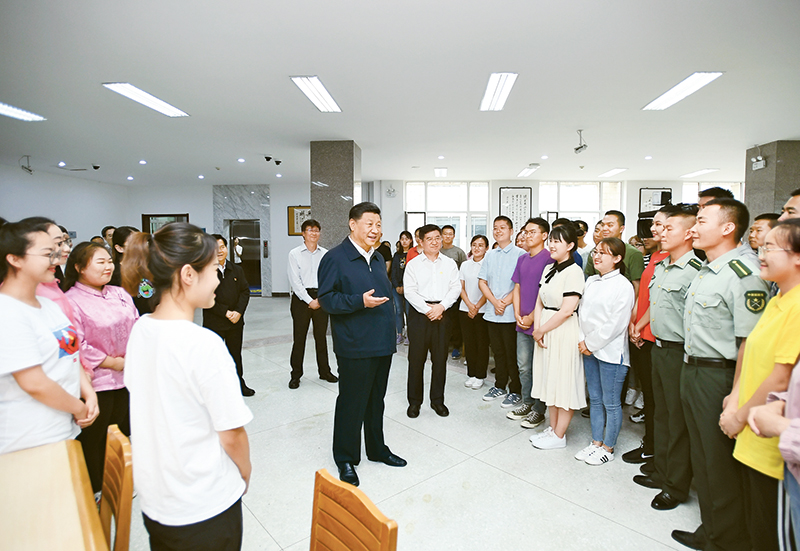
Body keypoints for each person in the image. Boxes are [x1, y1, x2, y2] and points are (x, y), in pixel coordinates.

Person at [122, 223, 252, 550]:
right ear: (188, 275)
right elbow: (232, 434)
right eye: (212, 271)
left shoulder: (141, 328)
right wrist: (243, 475)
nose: (218, 279)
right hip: (203, 506)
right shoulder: (203, 345)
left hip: (157, 499)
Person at [671, 198, 769, 551]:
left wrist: (737, 395)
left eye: (701, 221)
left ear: (728, 228)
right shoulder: (708, 269)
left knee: (718, 461)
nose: (693, 229)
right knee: (702, 456)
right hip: (693, 368)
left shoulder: (744, 274)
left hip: (720, 376)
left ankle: (727, 538)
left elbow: (750, 344)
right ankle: (711, 529)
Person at [720, 219, 800, 551]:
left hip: (774, 443)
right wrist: (734, 400)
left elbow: (781, 376)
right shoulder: (778, 298)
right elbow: (749, 351)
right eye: (762, 246)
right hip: (751, 427)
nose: (760, 254)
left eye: (770, 247)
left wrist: (739, 417)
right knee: (756, 525)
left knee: (772, 534)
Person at [317, 202, 406, 487]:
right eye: (369, 223)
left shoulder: (378, 257)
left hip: (381, 342)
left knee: (376, 400)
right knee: (352, 402)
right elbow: (327, 299)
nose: (375, 229)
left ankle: (377, 449)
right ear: (352, 224)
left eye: (378, 224)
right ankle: (345, 457)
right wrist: (360, 301)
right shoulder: (335, 258)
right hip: (354, 343)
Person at [0, 218, 98, 455]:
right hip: (28, 439)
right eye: (47, 254)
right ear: (14, 259)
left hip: (61, 428)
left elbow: (70, 353)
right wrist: (78, 408)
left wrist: (88, 392)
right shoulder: (8, 312)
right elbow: (34, 384)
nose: (56, 259)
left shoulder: (48, 305)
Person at [634, 205, 700, 511]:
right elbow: (655, 304)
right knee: (660, 413)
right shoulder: (662, 266)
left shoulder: (695, 270)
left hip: (678, 351)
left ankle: (675, 484)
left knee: (676, 420)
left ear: (688, 234)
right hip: (658, 347)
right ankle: (661, 469)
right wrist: (640, 325)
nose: (660, 232)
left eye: (669, 228)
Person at [64, 242, 138, 496]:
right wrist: (111, 361)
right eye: (100, 262)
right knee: (95, 439)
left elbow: (137, 324)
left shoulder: (120, 293)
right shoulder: (71, 300)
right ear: (79, 267)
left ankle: (119, 484)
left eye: (109, 261)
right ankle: (96, 490)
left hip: (126, 376)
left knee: (121, 434)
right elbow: (76, 343)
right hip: (97, 382)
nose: (108, 266)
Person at [577, 237, 635, 465]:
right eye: (596, 252)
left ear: (617, 258)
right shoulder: (591, 281)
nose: (597, 256)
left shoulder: (623, 286)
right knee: (595, 399)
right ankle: (596, 442)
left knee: (610, 402)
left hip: (611, 352)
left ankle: (608, 448)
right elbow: (581, 314)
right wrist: (583, 341)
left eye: (604, 253)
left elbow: (616, 324)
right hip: (588, 349)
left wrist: (590, 343)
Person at [529, 224, 586, 450]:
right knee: (549, 380)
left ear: (570, 245)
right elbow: (539, 301)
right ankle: (552, 430)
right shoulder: (549, 268)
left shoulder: (574, 272)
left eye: (557, 241)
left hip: (562, 330)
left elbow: (566, 310)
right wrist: (537, 328)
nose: (551, 245)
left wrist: (541, 329)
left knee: (563, 382)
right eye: (550, 240)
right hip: (545, 328)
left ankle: (560, 435)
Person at [624, 208, 671, 467]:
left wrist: (640, 325)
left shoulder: (672, 260)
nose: (652, 230)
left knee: (656, 398)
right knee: (651, 397)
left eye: (660, 225)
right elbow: (643, 294)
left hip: (653, 335)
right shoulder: (653, 257)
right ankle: (650, 443)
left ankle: (654, 448)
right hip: (641, 332)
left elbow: (658, 300)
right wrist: (634, 322)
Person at [403, 224, 460, 418]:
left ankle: (437, 401)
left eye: (437, 238)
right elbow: (410, 291)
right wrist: (429, 310)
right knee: (416, 360)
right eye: (429, 239)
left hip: (443, 314)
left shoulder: (449, 263)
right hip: (420, 315)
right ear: (421, 241)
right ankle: (414, 402)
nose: (435, 242)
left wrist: (441, 307)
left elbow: (455, 288)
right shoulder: (413, 265)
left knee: (440, 360)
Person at [508, 218, 554, 429]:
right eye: (526, 232)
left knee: (540, 368)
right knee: (524, 367)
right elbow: (517, 288)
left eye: (532, 232)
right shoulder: (522, 259)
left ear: (544, 235)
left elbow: (547, 293)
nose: (527, 235)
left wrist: (532, 317)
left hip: (541, 323)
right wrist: (518, 314)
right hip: (522, 322)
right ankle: (527, 403)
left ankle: (539, 409)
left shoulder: (549, 259)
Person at [478, 216, 526, 408]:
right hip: (492, 312)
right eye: (495, 228)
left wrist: (504, 303)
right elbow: (482, 281)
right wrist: (494, 302)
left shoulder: (521, 254)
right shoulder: (490, 255)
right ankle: (499, 385)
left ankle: (515, 390)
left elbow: (520, 284)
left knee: (511, 353)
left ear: (511, 231)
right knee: (497, 352)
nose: (498, 231)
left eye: (503, 227)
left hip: (510, 313)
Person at [287, 219, 337, 389]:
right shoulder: (294, 254)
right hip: (301, 300)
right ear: (303, 233)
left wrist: (320, 299)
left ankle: (324, 371)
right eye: (310, 230)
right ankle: (295, 375)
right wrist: (309, 301)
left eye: (317, 230)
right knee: (299, 338)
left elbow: (329, 278)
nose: (314, 233)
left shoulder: (325, 254)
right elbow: (295, 282)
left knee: (321, 337)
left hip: (320, 297)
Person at [202, 235, 254, 396]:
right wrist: (225, 312)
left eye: (222, 247)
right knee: (214, 357)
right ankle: (214, 389)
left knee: (235, 355)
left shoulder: (236, 269)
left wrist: (238, 312)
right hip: (214, 322)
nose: (220, 251)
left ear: (227, 248)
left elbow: (245, 292)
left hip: (235, 322)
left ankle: (239, 384)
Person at [585, 211, 645, 297]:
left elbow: (637, 286)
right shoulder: (595, 252)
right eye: (603, 225)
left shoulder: (633, 253)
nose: (604, 228)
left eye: (610, 225)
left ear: (621, 229)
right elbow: (590, 279)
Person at [460, 235, 490, 390]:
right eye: (474, 245)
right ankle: (471, 374)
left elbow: (489, 288)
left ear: (486, 248)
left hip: (483, 310)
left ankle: (480, 376)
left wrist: (477, 306)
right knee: (469, 343)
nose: (477, 248)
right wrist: (469, 305)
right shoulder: (465, 265)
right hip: (465, 309)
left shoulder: (488, 264)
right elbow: (461, 287)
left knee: (482, 344)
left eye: (480, 245)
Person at [440, 225, 467, 360]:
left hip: (454, 292)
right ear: (441, 235)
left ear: (454, 236)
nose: (448, 236)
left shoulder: (459, 252)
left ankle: (456, 346)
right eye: (445, 234)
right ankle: (442, 346)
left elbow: (464, 271)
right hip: (439, 292)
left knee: (455, 321)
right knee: (442, 321)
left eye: (450, 234)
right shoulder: (437, 251)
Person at [390, 231, 413, 345]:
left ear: (411, 240)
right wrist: (397, 286)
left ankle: (409, 334)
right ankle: (399, 334)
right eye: (402, 239)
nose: (404, 241)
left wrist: (405, 286)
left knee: (408, 311)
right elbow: (393, 272)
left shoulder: (413, 254)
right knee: (398, 310)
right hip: (397, 287)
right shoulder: (396, 255)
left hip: (409, 288)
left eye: (406, 239)